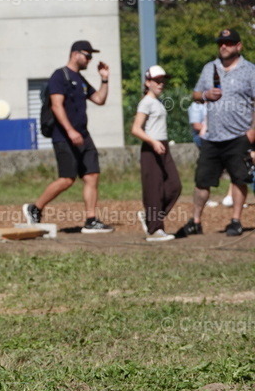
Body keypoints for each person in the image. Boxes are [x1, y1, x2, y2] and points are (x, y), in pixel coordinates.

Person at [22, 40, 113, 234]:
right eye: (87, 55)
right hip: (64, 136)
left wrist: (104, 79)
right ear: (75, 54)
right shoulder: (60, 76)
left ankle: (91, 220)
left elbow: (99, 99)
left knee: (92, 175)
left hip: (83, 136)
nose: (90, 59)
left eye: (91, 56)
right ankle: (35, 208)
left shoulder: (80, 79)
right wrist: (70, 131)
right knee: (67, 179)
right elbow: (56, 105)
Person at [177, 28, 255, 238]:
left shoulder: (250, 70)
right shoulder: (209, 68)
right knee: (202, 181)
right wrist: (205, 94)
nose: (223, 46)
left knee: (239, 179)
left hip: (239, 135)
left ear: (238, 46)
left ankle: (236, 221)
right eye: (221, 42)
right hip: (212, 136)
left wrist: (252, 131)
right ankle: (195, 221)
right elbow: (195, 95)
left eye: (228, 43)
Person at [130, 65, 181, 243]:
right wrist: (152, 142)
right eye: (157, 80)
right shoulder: (146, 102)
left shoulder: (157, 102)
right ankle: (154, 230)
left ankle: (150, 218)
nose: (161, 84)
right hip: (151, 148)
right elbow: (135, 129)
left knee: (174, 186)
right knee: (154, 190)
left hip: (162, 146)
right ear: (148, 82)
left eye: (163, 80)